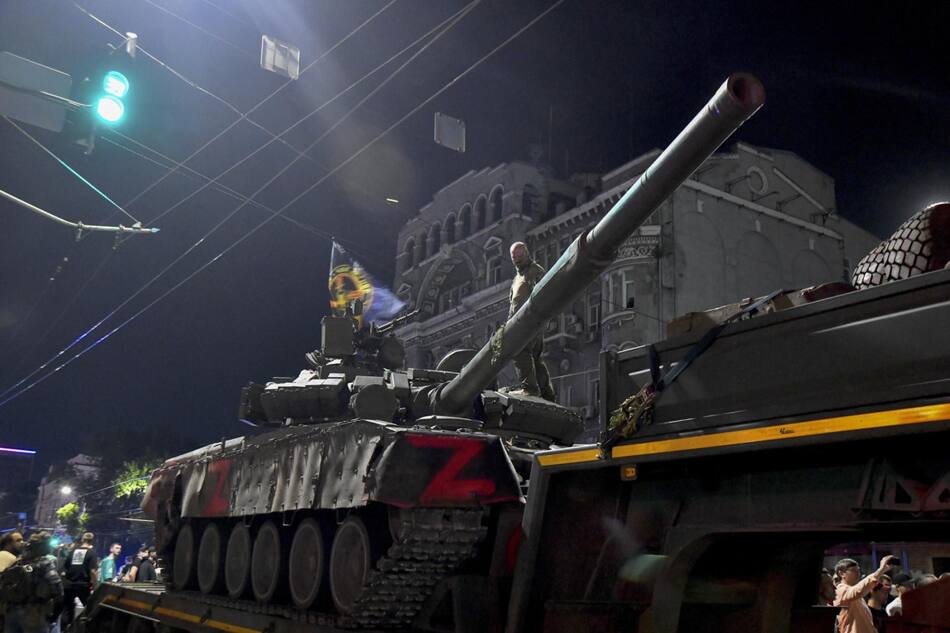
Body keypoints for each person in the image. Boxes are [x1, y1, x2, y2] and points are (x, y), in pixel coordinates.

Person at [507, 242, 556, 401]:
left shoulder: (535, 271)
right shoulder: (516, 278)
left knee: (519, 350)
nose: (517, 259)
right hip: (520, 322)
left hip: (531, 321)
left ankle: (529, 388)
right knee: (535, 358)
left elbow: (546, 293)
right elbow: (513, 304)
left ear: (526, 253)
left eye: (520, 255)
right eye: (514, 256)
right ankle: (547, 393)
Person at [0, 532, 63, 633]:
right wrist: (53, 616)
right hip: (34, 615)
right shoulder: (45, 563)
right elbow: (58, 590)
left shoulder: (18, 562)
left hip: (12, 613)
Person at [833, 555, 897, 633]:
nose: (858, 573)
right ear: (841, 573)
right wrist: (880, 570)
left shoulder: (857, 595)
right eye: (853, 570)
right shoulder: (840, 591)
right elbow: (857, 591)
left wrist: (883, 570)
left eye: (858, 570)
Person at [61, 532, 98, 629]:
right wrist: (96, 586)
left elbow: (64, 570)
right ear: (92, 541)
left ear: (82, 540)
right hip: (83, 585)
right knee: (91, 609)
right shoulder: (92, 553)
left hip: (69, 585)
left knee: (67, 610)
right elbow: (93, 571)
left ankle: (65, 629)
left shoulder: (72, 552)